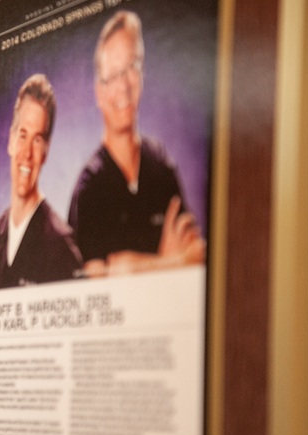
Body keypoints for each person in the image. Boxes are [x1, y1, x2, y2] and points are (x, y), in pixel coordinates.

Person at [68, 11, 205, 275]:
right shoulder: (89, 189)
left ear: (142, 75)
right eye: (113, 76)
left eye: (132, 67)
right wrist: (171, 262)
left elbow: (195, 254)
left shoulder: (161, 166)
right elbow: (97, 282)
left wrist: (130, 265)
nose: (124, 86)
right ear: (99, 91)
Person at [0, 74, 83, 292]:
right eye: (23, 135)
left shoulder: (61, 245)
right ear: (11, 140)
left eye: (37, 139)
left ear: (46, 151)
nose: (28, 153)